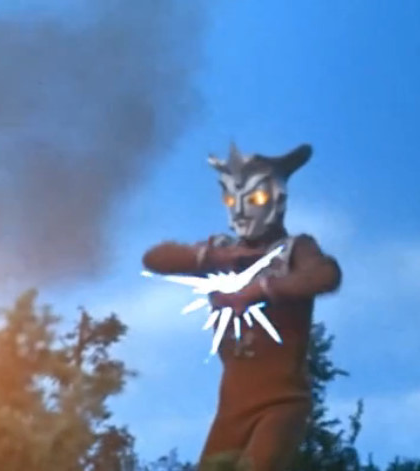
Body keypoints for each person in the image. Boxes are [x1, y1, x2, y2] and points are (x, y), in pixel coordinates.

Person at [142, 142, 342, 471]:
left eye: (255, 199)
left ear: (276, 198)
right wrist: (216, 257)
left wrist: (260, 290)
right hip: (232, 408)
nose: (241, 211)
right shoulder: (222, 250)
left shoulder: (294, 249)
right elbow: (155, 258)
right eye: (230, 200)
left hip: (282, 401)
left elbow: (325, 275)